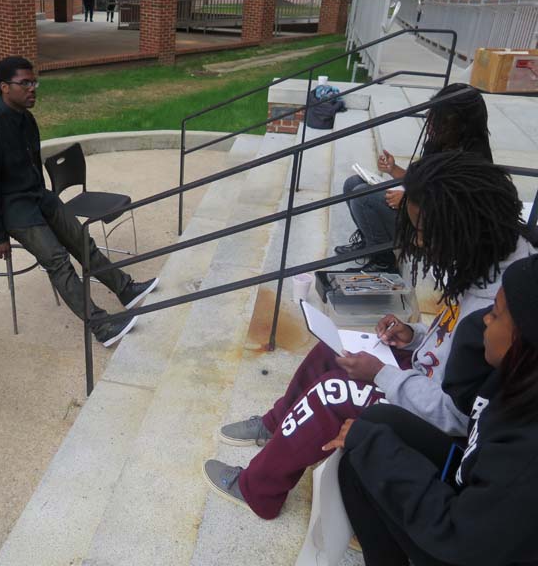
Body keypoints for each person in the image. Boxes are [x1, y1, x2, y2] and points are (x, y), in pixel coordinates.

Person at [202, 151, 536, 520]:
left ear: (460, 227)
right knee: (335, 348)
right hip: (423, 379)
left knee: (334, 391)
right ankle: (276, 424)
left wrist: (381, 374)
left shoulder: (500, 302)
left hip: (439, 428)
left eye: (423, 232)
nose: (421, 244)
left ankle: (258, 491)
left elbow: (456, 415)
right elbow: (450, 343)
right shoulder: (487, 260)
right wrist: (413, 336)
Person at [332, 253, 538, 566]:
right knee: (371, 432)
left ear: (522, 343)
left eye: (495, 315)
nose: (483, 319)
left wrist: (379, 448)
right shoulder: (516, 376)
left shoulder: (526, 458)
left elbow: (458, 538)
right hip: (474, 485)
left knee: (366, 450)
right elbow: (462, 393)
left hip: (464, 544)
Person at [0, 56, 158, 347]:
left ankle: (126, 290)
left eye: (35, 82)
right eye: (25, 83)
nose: (33, 88)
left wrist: (45, 199)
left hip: (38, 196)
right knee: (58, 261)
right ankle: (101, 325)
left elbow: (31, 164)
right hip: (13, 208)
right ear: (4, 87)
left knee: (83, 241)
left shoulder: (26, 119)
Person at [334, 83, 493, 273]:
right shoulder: (441, 143)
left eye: (438, 119)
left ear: (460, 124)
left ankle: (383, 261)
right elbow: (420, 180)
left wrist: (409, 201)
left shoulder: (472, 160)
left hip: (431, 229)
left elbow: (453, 211)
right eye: (431, 116)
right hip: (417, 210)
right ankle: (370, 243)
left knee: (363, 197)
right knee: (352, 184)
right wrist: (394, 169)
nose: (430, 123)